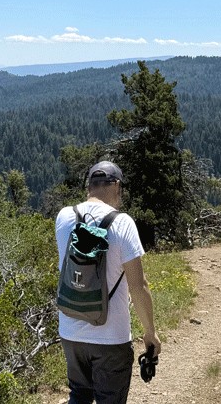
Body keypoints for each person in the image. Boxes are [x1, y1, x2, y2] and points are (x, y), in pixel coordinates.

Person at [55, 160, 162, 404]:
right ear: (116, 186)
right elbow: (138, 285)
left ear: (89, 187)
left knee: (79, 395)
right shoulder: (122, 222)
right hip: (110, 337)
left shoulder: (64, 216)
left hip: (70, 331)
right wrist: (150, 333)